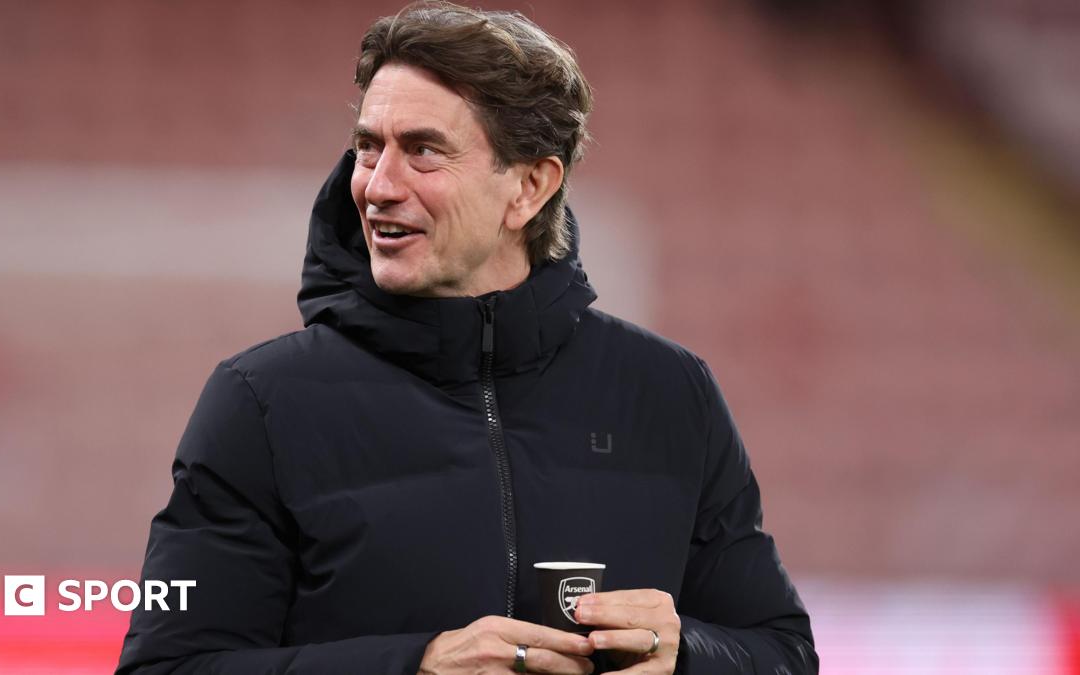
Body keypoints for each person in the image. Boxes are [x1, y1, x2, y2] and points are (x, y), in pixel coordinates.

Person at [116, 2, 817, 673]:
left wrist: (686, 652)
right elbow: (168, 664)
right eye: (368, 148)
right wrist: (415, 665)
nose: (377, 185)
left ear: (530, 188)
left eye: (423, 151)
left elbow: (783, 653)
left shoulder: (668, 393)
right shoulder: (261, 402)